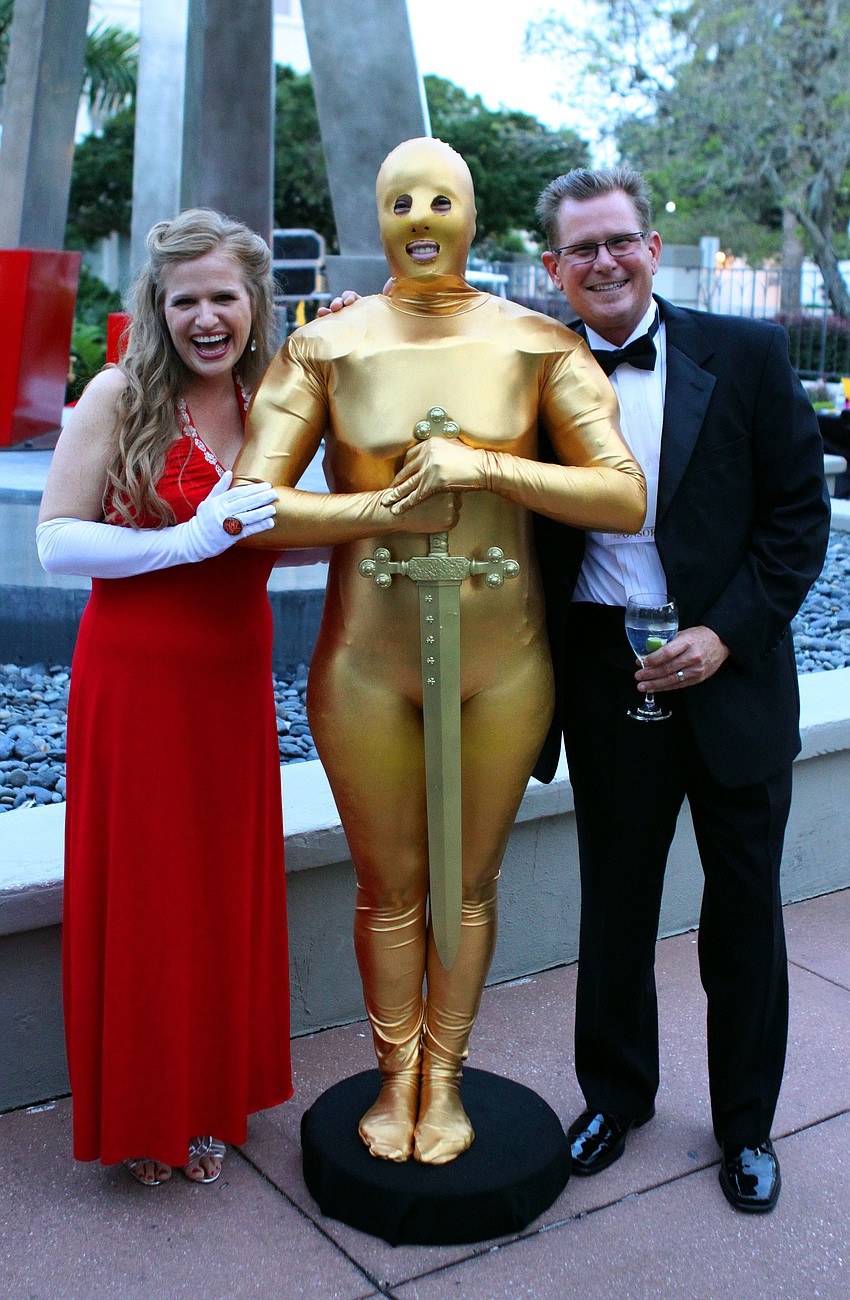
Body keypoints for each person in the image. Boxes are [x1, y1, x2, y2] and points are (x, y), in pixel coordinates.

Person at [233, 137, 646, 1166]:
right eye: (400, 200)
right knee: (387, 884)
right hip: (366, 659)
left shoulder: (539, 342)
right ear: (376, 214)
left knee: (470, 882)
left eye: (440, 199)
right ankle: (395, 1072)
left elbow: (623, 494)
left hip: (503, 660)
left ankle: (447, 1076)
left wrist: (488, 468)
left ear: (470, 212)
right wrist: (377, 503)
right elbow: (246, 508)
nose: (420, 218)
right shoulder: (325, 346)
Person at [533, 166, 830, 1212]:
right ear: (552, 267)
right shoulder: (531, 366)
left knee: (743, 911)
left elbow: (799, 518)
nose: (604, 261)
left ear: (652, 248)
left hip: (732, 671)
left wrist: (725, 633)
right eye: (582, 249)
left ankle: (745, 1125)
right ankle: (615, 1097)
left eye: (620, 240)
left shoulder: (743, 354)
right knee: (615, 905)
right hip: (605, 670)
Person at [36, 209, 292, 1187]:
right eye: (184, 299)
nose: (206, 316)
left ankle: (212, 1093)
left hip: (232, 673)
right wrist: (180, 540)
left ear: (254, 302)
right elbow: (55, 541)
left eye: (223, 295)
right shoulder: (117, 393)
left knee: (220, 885)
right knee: (148, 893)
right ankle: (147, 1112)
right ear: (159, 307)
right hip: (139, 675)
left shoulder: (273, 395)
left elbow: (277, 531)